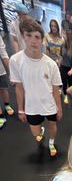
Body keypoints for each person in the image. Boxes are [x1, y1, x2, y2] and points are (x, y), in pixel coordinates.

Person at [9, 17, 62, 157]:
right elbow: (18, 87)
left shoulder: (51, 64)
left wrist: (59, 108)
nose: (34, 40)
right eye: (29, 35)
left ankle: (51, 143)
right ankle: (42, 133)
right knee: (36, 132)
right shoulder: (15, 60)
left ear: (42, 40)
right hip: (32, 106)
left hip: (49, 104)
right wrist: (20, 110)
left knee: (52, 126)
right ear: (23, 37)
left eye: (37, 37)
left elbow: (56, 89)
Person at [60, 30, 72, 104]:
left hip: (70, 68)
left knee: (70, 83)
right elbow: (61, 56)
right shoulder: (62, 45)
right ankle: (65, 95)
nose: (63, 36)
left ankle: (70, 91)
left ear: (69, 37)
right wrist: (58, 63)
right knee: (64, 83)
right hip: (63, 68)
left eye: (65, 35)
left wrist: (71, 70)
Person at [0, 35, 14, 129]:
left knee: (4, 89)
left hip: (0, 70)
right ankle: (0, 115)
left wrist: (11, 73)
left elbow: (4, 55)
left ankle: (7, 105)